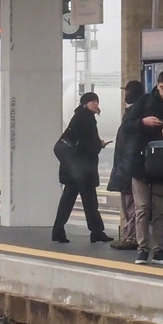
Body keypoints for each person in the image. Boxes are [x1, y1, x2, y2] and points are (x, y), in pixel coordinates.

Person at [118, 70, 163, 265]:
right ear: (157, 86)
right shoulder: (145, 101)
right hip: (140, 163)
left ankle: (158, 250)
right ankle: (142, 249)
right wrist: (143, 122)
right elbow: (126, 126)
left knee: (160, 210)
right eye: (161, 88)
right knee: (142, 208)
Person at [51, 92, 112, 243]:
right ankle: (96, 232)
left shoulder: (81, 116)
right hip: (81, 168)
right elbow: (88, 142)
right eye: (93, 102)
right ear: (85, 103)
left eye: (97, 101)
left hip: (76, 168)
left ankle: (59, 231)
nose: (96, 104)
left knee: (72, 200)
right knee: (87, 201)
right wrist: (100, 144)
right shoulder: (85, 118)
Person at [108, 80, 145, 250]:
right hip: (127, 166)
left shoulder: (133, 115)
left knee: (131, 204)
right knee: (130, 203)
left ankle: (131, 237)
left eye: (127, 91)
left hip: (128, 167)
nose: (125, 95)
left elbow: (127, 146)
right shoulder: (134, 114)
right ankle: (130, 235)